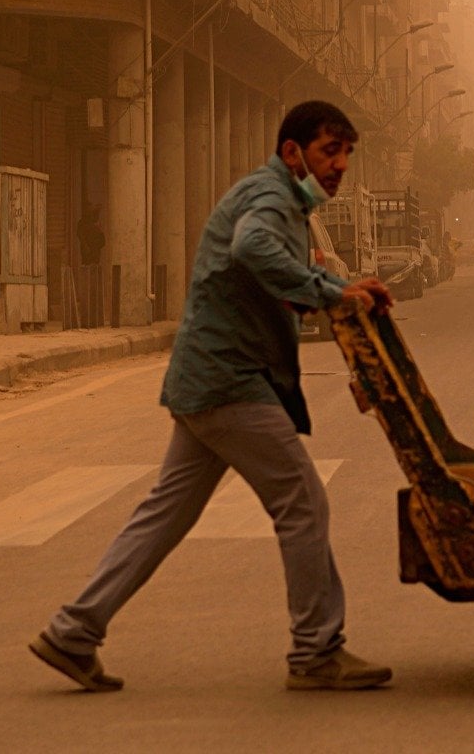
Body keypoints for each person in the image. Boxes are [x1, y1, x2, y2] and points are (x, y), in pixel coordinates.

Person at [31, 101, 397, 694]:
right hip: (230, 381)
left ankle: (74, 631)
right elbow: (253, 250)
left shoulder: (282, 201)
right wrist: (332, 293)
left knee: (164, 515)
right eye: (331, 151)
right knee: (303, 502)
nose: (340, 165)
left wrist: (334, 288)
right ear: (292, 152)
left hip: (206, 379)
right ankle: (316, 650)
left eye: (346, 153)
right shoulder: (272, 200)